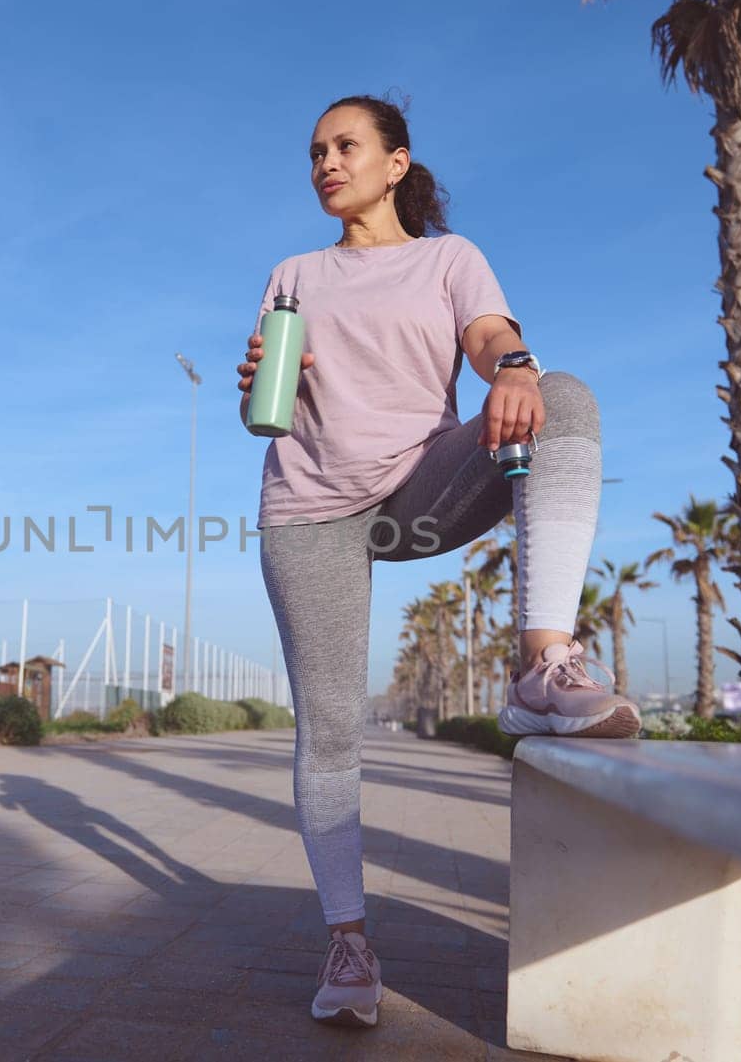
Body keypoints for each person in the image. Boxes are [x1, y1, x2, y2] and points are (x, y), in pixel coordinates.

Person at [236, 94, 642, 1029]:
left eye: (346, 146)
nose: (326, 164)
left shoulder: (447, 259)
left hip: (422, 492)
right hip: (310, 511)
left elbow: (491, 336)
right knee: (328, 729)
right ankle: (348, 944)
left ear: (395, 162)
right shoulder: (293, 272)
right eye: (314, 152)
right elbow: (264, 408)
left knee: (562, 395)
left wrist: (513, 366)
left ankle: (544, 663)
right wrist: (261, 370)